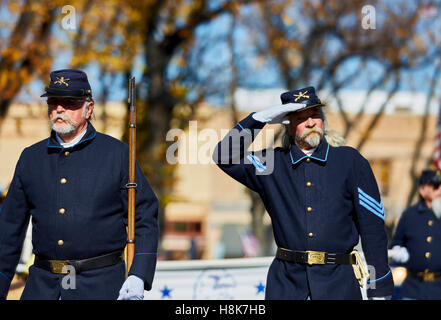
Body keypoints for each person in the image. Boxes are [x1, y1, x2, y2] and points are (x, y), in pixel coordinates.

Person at [213, 86, 394, 299]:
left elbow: (372, 226)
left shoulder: (350, 161)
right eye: (300, 118)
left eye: (315, 115)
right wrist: (258, 119)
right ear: (288, 127)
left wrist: (379, 286)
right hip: (286, 285)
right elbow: (223, 156)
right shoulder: (272, 163)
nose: (310, 122)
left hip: (339, 284)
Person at [0, 69, 158, 300]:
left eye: (70, 102)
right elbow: (9, 231)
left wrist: (138, 274)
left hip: (101, 286)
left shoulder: (117, 155)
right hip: (42, 287)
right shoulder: (31, 158)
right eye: (53, 102)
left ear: (89, 108)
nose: (59, 109)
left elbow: (144, 216)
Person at [390, 169, 441, 299]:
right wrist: (399, 252)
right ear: (422, 190)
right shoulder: (409, 215)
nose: (439, 189)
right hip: (413, 288)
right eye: (435, 186)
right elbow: (397, 242)